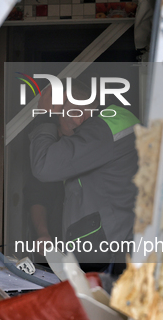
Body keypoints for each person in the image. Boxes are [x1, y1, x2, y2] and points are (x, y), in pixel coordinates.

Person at [28, 79, 139, 271]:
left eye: (58, 120)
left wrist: (44, 116)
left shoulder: (105, 126)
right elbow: (40, 188)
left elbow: (43, 166)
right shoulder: (103, 130)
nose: (60, 135)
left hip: (115, 258)